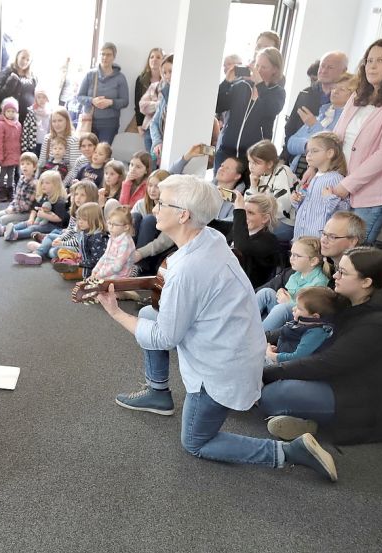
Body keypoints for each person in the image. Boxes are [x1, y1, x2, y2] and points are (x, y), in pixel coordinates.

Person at [99, 175, 337, 482]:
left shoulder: (188, 269)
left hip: (221, 369)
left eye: (161, 202)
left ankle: (290, 452)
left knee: (196, 442)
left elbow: (163, 337)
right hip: (237, 349)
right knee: (148, 310)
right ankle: (158, 392)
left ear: (183, 214)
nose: (154, 207)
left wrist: (115, 312)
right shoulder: (209, 238)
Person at [261, 247, 382, 446]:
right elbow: (304, 324)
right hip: (341, 379)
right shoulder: (350, 299)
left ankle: (310, 420)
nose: (335, 275)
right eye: (338, 269)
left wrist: (267, 373)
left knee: (271, 396)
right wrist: (262, 338)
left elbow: (326, 364)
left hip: (364, 401)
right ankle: (305, 420)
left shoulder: (379, 324)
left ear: (366, 282)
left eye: (343, 272)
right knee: (270, 384)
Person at [319, 38, 382, 243]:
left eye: (380, 60)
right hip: (341, 185)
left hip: (372, 194)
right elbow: (336, 137)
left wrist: (348, 185)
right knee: (332, 248)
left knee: (353, 255)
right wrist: (316, 167)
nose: (372, 65)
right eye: (369, 60)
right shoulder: (359, 95)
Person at [215, 47, 286, 170]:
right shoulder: (241, 86)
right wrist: (226, 82)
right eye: (257, 65)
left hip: (255, 157)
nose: (258, 70)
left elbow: (271, 109)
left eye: (264, 67)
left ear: (275, 69)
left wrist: (260, 84)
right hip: (226, 151)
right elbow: (218, 105)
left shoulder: (277, 92)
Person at [281, 52, 349, 163]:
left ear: (343, 71)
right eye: (322, 66)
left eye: (330, 67)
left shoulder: (344, 103)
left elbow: (335, 142)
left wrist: (314, 127)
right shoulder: (305, 93)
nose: (324, 70)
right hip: (296, 160)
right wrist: (284, 157)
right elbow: (291, 130)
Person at [284, 72, 354, 175]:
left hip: (322, 176)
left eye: (342, 89)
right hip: (296, 171)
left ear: (353, 95)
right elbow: (290, 143)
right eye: (334, 88)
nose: (335, 91)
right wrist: (309, 145)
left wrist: (314, 126)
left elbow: (333, 147)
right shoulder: (321, 115)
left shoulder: (348, 121)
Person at [255, 237, 330, 332]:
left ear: (313, 261)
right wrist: (280, 292)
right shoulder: (296, 274)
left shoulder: (319, 281)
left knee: (283, 308)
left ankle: (257, 336)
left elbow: (307, 311)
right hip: (283, 313)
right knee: (266, 292)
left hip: (298, 320)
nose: (291, 259)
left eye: (297, 256)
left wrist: (288, 302)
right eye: (291, 254)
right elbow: (288, 293)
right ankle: (241, 323)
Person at [23, 180, 99, 263]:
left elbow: (79, 241)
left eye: (82, 195)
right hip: (69, 242)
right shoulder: (76, 212)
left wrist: (62, 244)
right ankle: (37, 253)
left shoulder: (91, 215)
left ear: (91, 197)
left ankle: (42, 248)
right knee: (50, 236)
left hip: (79, 248)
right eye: (76, 194)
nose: (78, 197)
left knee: (54, 251)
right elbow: (70, 230)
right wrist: (60, 238)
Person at [291, 131, 348, 241]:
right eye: (308, 152)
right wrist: (297, 200)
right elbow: (309, 205)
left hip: (317, 239)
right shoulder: (315, 176)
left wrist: (329, 198)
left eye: (314, 151)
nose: (308, 155)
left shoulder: (335, 178)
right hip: (302, 235)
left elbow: (344, 210)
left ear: (330, 153)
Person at [264, 286, 341, 365]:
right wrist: (278, 350)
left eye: (299, 308)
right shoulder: (301, 324)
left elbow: (297, 358)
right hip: (280, 358)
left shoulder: (315, 333)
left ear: (315, 317)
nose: (293, 309)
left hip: (289, 368)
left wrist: (272, 355)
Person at [220, 191, 279, 287]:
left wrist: (239, 210)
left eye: (250, 213)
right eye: (244, 211)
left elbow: (241, 247)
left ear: (265, 218)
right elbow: (208, 223)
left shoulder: (269, 240)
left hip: (245, 291)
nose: (244, 216)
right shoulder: (236, 228)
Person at [244, 140, 297, 241]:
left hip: (285, 222)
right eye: (250, 162)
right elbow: (248, 205)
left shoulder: (282, 172)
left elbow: (283, 209)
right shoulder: (259, 175)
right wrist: (253, 187)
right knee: (240, 224)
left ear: (269, 164)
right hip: (264, 219)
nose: (251, 166)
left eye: (256, 163)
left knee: (250, 231)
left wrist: (259, 218)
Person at [77, 42, 130, 145]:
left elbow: (125, 102)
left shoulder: (120, 78)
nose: (104, 57)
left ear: (114, 57)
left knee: (103, 153)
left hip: (109, 123)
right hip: (89, 121)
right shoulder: (90, 75)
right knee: (88, 152)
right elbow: (79, 97)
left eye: (108, 54)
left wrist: (110, 102)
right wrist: (92, 101)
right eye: (102, 54)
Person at [3, 170, 69, 241]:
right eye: (42, 183)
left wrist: (44, 215)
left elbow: (60, 219)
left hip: (55, 226)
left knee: (33, 228)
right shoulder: (45, 196)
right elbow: (34, 209)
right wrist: (31, 219)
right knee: (26, 223)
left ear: (56, 185)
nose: (43, 185)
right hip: (41, 221)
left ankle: (15, 235)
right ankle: (4, 229)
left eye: (47, 183)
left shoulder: (59, 201)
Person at [0, 152, 38, 234]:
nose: (24, 166)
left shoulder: (34, 184)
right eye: (22, 164)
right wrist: (11, 207)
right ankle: (0, 228)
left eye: (28, 164)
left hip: (25, 213)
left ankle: (3, 229)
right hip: (17, 208)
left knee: (3, 219)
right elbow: (16, 198)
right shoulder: (21, 179)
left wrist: (13, 210)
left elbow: (26, 206)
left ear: (34, 167)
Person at [37, 107, 81, 187]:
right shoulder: (48, 138)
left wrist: (61, 186)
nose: (57, 124)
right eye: (54, 121)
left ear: (67, 121)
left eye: (60, 120)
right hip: (46, 181)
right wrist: (38, 182)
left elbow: (73, 169)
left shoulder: (74, 140)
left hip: (63, 181)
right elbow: (41, 163)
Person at [91, 206, 136, 280]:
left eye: (115, 224)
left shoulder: (125, 243)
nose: (110, 227)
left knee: (91, 287)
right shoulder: (113, 237)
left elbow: (117, 267)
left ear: (126, 227)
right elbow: (105, 256)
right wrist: (95, 270)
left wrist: (100, 274)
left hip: (119, 277)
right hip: (107, 274)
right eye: (109, 223)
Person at [320, 211, 365, 279]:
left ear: (352, 241)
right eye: (324, 234)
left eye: (332, 237)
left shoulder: (359, 275)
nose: (323, 240)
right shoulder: (320, 260)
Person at [0, 49, 37, 124]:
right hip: (11, 118)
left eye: (28, 60)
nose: (25, 61)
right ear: (17, 57)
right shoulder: (8, 71)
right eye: (23, 57)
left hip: (27, 117)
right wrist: (12, 81)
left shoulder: (32, 76)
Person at [0, 97, 22, 202]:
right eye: (8, 111)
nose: (10, 113)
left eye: (13, 111)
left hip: (14, 155)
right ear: (4, 112)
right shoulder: (0, 124)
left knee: (11, 174)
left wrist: (19, 156)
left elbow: (19, 141)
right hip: (4, 155)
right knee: (2, 174)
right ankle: (1, 191)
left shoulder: (18, 125)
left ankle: (10, 190)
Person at [148, 55, 174, 161]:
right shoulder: (165, 93)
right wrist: (157, 142)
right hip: (160, 148)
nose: (167, 76)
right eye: (164, 73)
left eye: (170, 71)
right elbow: (153, 123)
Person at [134, 48, 164, 132]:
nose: (154, 59)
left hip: (161, 122)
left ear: (163, 61)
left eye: (158, 57)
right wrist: (139, 125)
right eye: (152, 57)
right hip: (144, 121)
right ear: (148, 60)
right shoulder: (141, 80)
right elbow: (137, 104)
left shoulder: (167, 80)